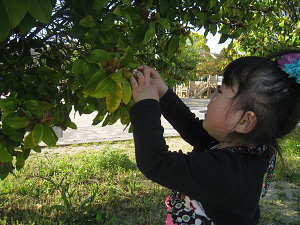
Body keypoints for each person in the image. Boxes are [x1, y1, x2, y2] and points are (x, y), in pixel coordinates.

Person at [129, 50, 300, 225]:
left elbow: (156, 162)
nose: (212, 97)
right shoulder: (246, 146)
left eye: (220, 92)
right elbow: (193, 129)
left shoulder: (227, 172)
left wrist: (146, 105)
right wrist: (163, 93)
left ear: (245, 121)